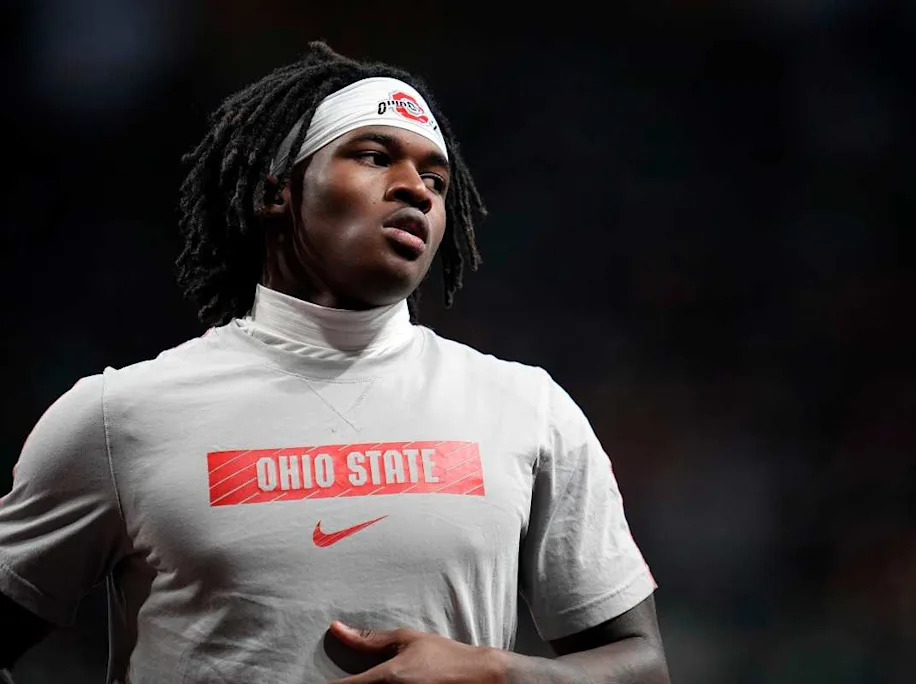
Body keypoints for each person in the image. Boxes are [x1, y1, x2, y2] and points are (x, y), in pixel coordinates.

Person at [0, 42, 670, 683]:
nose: (417, 189)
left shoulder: (527, 408)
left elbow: (639, 667)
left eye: (435, 178)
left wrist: (495, 672)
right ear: (277, 194)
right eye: (376, 155)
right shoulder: (119, 418)